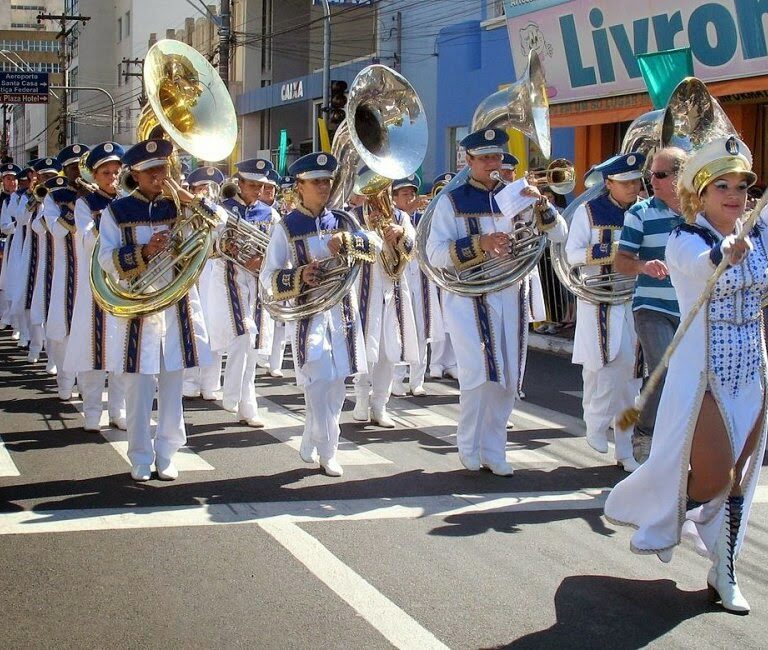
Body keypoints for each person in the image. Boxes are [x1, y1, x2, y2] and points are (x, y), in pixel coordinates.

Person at [605, 136, 766, 614]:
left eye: (742, 185)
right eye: (723, 186)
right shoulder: (684, 239)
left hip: (753, 373)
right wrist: (725, 254)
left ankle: (724, 569)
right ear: (700, 192)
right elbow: (699, 267)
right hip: (706, 379)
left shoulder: (761, 231)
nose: (735, 195)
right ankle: (668, 511)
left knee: (741, 479)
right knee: (716, 477)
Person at [426, 128, 567, 475]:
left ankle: (495, 448)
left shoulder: (517, 194)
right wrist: (481, 244)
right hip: (469, 299)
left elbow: (560, 234)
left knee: (507, 377)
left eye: (497, 157)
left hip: (511, 294)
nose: (493, 164)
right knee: (478, 375)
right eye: (485, 158)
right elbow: (434, 253)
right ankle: (468, 444)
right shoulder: (451, 200)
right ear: (469, 162)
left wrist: (542, 204)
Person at [98, 138, 223, 482]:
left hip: (177, 306)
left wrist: (190, 200)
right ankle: (139, 454)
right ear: (135, 175)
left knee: (173, 383)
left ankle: (167, 452)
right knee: (138, 386)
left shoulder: (182, 205)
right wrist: (144, 251)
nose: (159, 176)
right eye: (151, 170)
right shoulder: (117, 211)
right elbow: (105, 259)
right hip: (138, 307)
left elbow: (221, 228)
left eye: (163, 169)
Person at [260, 152, 380, 477]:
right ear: (300, 186)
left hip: (342, 314)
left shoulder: (343, 220)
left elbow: (375, 249)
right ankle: (329, 448)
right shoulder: (286, 226)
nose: (324, 186)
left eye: (327, 180)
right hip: (308, 317)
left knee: (338, 383)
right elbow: (268, 277)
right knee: (317, 381)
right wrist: (300, 277)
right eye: (316, 182)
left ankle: (313, 432)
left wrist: (351, 241)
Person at [566, 153, 645, 472]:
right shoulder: (589, 211)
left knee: (632, 378)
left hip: (634, 299)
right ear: (609, 183)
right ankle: (595, 422)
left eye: (636, 181)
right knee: (601, 369)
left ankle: (626, 449)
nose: (633, 188)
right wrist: (616, 252)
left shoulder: (644, 210)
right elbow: (571, 254)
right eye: (625, 183)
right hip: (599, 299)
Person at [615, 147, 686, 463]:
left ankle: (677, 439)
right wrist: (643, 266)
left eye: (660, 175)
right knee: (662, 367)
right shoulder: (639, 212)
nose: (652, 181)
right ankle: (643, 433)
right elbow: (621, 261)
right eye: (651, 175)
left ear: (680, 176)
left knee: (688, 376)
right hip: (651, 307)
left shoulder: (702, 214)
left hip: (690, 308)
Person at [62, 142, 127, 432]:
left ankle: (118, 410)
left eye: (116, 172)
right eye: (105, 173)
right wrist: (111, 225)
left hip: (125, 282)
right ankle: (91, 411)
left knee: (123, 349)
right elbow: (87, 242)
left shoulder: (128, 202)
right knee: (94, 348)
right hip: (96, 283)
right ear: (94, 175)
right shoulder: (86, 205)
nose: (112, 178)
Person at [211, 158, 276, 427]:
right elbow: (210, 247)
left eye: (262, 186)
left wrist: (264, 260)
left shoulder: (270, 214)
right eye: (252, 185)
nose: (258, 191)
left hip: (258, 282)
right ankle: (234, 395)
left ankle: (247, 404)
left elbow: (278, 248)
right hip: (229, 279)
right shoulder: (222, 211)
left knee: (253, 343)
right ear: (240, 184)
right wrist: (228, 249)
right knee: (245, 336)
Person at [351, 167, 419, 426]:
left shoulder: (401, 217)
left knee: (389, 349)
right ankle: (360, 399)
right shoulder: (354, 216)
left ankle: (380, 404)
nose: (378, 193)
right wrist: (370, 238)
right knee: (365, 346)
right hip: (363, 288)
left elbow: (412, 250)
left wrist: (400, 235)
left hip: (393, 288)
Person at [43, 146, 90, 400]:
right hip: (64, 271)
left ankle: (86, 387)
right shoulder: (54, 196)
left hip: (89, 272)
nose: (77, 173)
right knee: (63, 329)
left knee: (86, 330)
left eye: (80, 167)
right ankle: (64, 383)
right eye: (72, 168)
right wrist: (74, 206)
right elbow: (56, 231)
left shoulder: (97, 195)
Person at [394, 173, 445, 397]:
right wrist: (408, 213)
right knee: (399, 330)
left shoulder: (425, 217)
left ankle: (417, 380)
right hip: (400, 279)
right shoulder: (391, 219)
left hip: (422, 280)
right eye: (405, 194)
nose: (411, 197)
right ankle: (396, 379)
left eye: (412, 193)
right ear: (394, 197)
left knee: (422, 330)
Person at [181, 165, 226, 401]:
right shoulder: (183, 212)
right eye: (200, 188)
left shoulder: (219, 211)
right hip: (189, 272)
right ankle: (189, 380)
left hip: (213, 271)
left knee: (213, 328)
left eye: (210, 188)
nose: (206, 192)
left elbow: (219, 223)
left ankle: (210, 382)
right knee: (191, 326)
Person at [426, 172, 459, 380]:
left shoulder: (457, 210)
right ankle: (436, 362)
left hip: (455, 272)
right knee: (438, 319)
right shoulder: (429, 215)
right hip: (435, 271)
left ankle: (452, 362)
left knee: (453, 321)